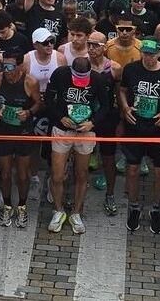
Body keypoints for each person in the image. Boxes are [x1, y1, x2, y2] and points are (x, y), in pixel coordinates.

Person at [120, 37, 160, 234]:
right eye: (145, 53)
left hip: (159, 129)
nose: (148, 57)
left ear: (159, 53)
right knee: (132, 169)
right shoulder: (131, 69)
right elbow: (122, 90)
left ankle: (155, 209)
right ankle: (134, 206)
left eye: (152, 54)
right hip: (135, 127)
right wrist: (125, 107)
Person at [46, 56, 112, 234]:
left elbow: (106, 106)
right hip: (62, 130)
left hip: (85, 132)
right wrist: (60, 117)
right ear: (71, 70)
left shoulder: (97, 79)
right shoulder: (60, 74)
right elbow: (48, 100)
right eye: (77, 78)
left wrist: (92, 123)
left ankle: (76, 212)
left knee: (81, 174)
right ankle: (58, 210)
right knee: (57, 175)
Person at [0, 48, 41, 228]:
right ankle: (7, 205)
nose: (6, 70)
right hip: (3, 131)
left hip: (23, 132)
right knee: (4, 173)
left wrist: (29, 112)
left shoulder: (30, 82)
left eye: (10, 67)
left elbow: (38, 103)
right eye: (4, 66)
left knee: (22, 174)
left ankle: (22, 206)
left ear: (20, 66)